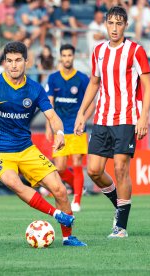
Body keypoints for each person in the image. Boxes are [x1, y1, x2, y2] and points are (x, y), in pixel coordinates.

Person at [0, 41, 86, 247]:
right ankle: (57, 214)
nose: (13, 65)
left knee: (60, 190)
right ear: (4, 62)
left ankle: (69, 237)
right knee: (13, 182)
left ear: (26, 62)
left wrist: (60, 132)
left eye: (18, 60)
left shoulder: (35, 89)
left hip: (26, 149)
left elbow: (52, 115)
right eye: (9, 61)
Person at [74, 6, 150, 238]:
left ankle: (121, 226)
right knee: (94, 170)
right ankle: (121, 206)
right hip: (101, 118)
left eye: (119, 24)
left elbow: (148, 85)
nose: (115, 28)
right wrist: (82, 114)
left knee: (120, 168)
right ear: (106, 25)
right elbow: (94, 84)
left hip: (127, 118)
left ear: (126, 25)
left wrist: (143, 116)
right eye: (111, 23)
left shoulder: (135, 51)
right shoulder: (98, 51)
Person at [45, 44, 91, 212]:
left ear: (73, 57)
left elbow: (91, 102)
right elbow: (48, 103)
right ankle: (78, 187)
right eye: (64, 55)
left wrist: (83, 119)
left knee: (78, 162)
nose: (67, 58)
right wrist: (49, 126)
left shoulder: (82, 79)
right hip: (60, 128)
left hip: (77, 126)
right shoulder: (53, 78)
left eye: (69, 55)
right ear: (60, 57)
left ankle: (77, 200)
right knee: (61, 168)